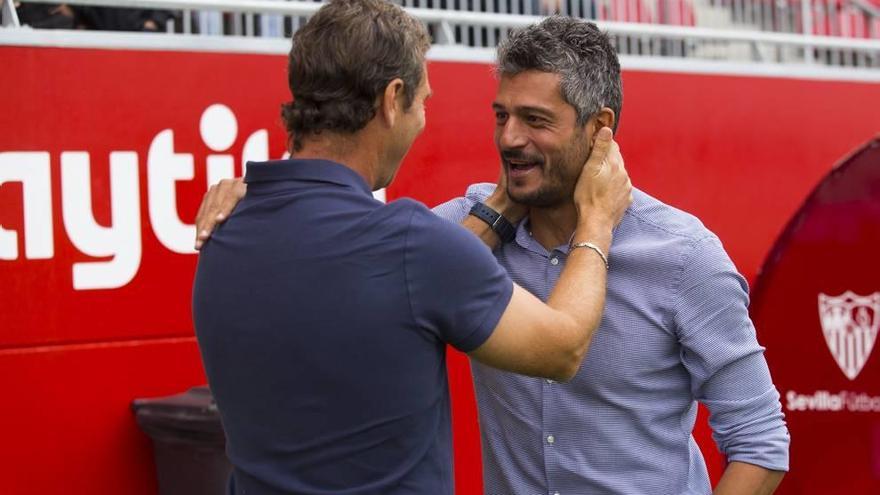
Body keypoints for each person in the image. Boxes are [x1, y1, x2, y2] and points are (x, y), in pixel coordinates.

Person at [196, 14, 789, 495]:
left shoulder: (685, 257)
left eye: (535, 120)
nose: (509, 138)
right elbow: (348, 251)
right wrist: (259, 197)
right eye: (501, 116)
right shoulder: (451, 232)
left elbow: (760, 444)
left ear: (600, 129)